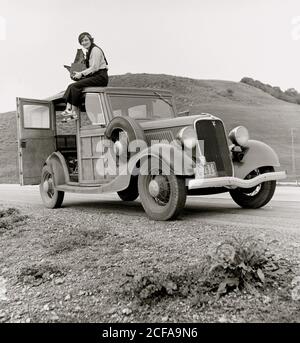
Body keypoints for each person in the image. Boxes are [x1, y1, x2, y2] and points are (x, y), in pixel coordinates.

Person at [61, 32, 109, 121]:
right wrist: (78, 74)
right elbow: (90, 68)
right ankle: (70, 111)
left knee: (75, 86)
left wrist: (82, 74)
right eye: (82, 41)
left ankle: (71, 111)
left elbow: (95, 67)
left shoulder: (95, 50)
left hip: (100, 77)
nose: (84, 42)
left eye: (86, 40)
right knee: (72, 86)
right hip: (95, 75)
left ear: (90, 40)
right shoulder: (89, 51)